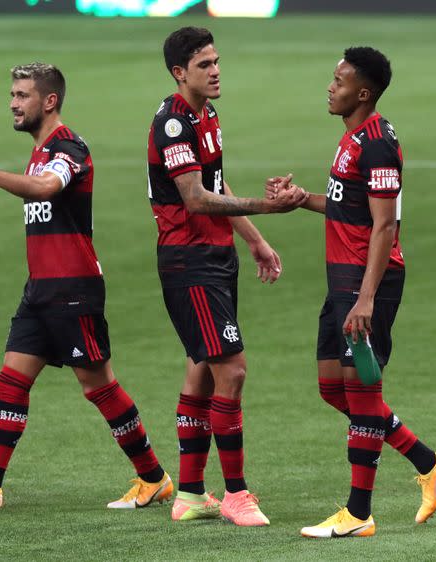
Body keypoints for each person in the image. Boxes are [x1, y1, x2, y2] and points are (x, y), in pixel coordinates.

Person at [0, 62, 171, 510]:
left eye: (22, 95)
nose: (13, 103)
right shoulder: (40, 149)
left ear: (49, 101)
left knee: (99, 387)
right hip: (40, 290)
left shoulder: (69, 148)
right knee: (11, 381)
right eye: (13, 94)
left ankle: (153, 478)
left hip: (73, 290)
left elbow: (45, 189)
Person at [265, 47, 436, 538]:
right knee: (335, 389)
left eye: (340, 81)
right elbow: (347, 207)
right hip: (343, 281)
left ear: (363, 92)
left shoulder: (377, 143)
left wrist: (367, 298)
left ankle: (358, 513)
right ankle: (429, 462)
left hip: (367, 283)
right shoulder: (352, 138)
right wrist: (300, 199)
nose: (330, 87)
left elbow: (384, 225)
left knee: (363, 392)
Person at [147, 27, 307, 527]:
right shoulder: (174, 122)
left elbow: (217, 184)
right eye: (204, 65)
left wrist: (254, 238)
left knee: (202, 366)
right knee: (231, 370)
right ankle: (235, 492)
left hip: (216, 257)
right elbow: (194, 198)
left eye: (217, 61)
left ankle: (191, 493)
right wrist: (270, 207)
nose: (215, 71)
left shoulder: (208, 115)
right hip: (189, 262)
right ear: (179, 73)